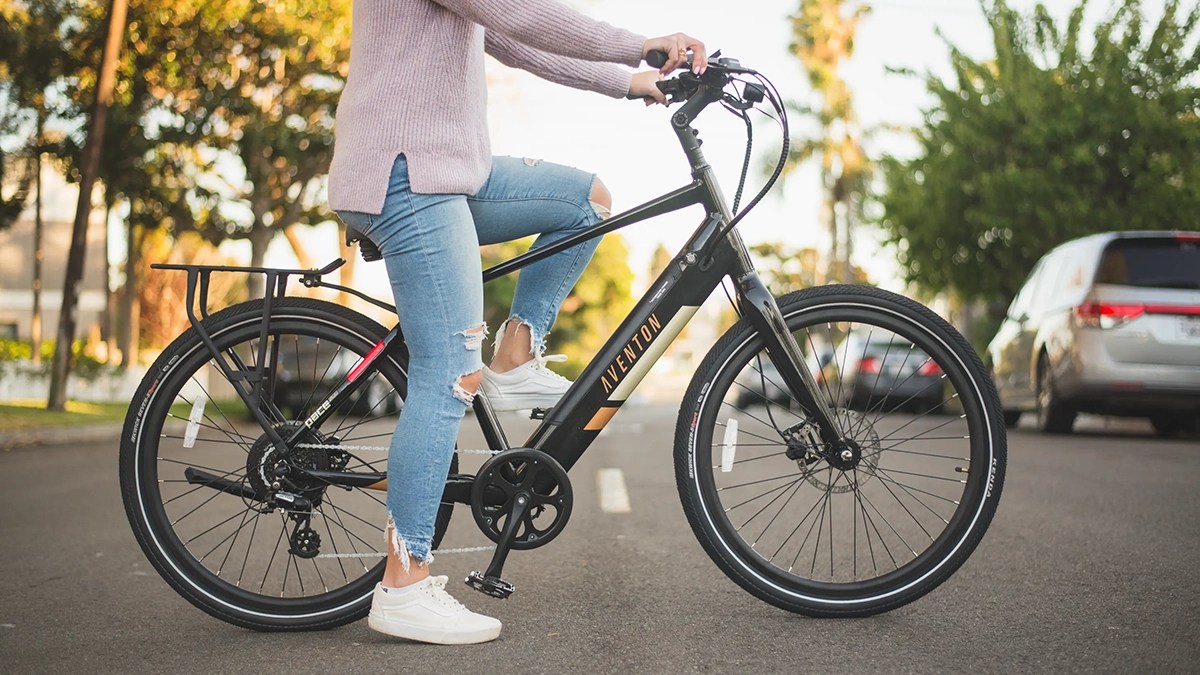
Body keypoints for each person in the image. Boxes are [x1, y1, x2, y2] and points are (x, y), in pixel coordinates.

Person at [328, 0, 705, 645]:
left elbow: (514, 41)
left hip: (449, 169)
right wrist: (644, 44)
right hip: (408, 176)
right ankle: (404, 584)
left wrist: (634, 79)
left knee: (586, 202)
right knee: (448, 371)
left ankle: (516, 358)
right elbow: (526, 16)